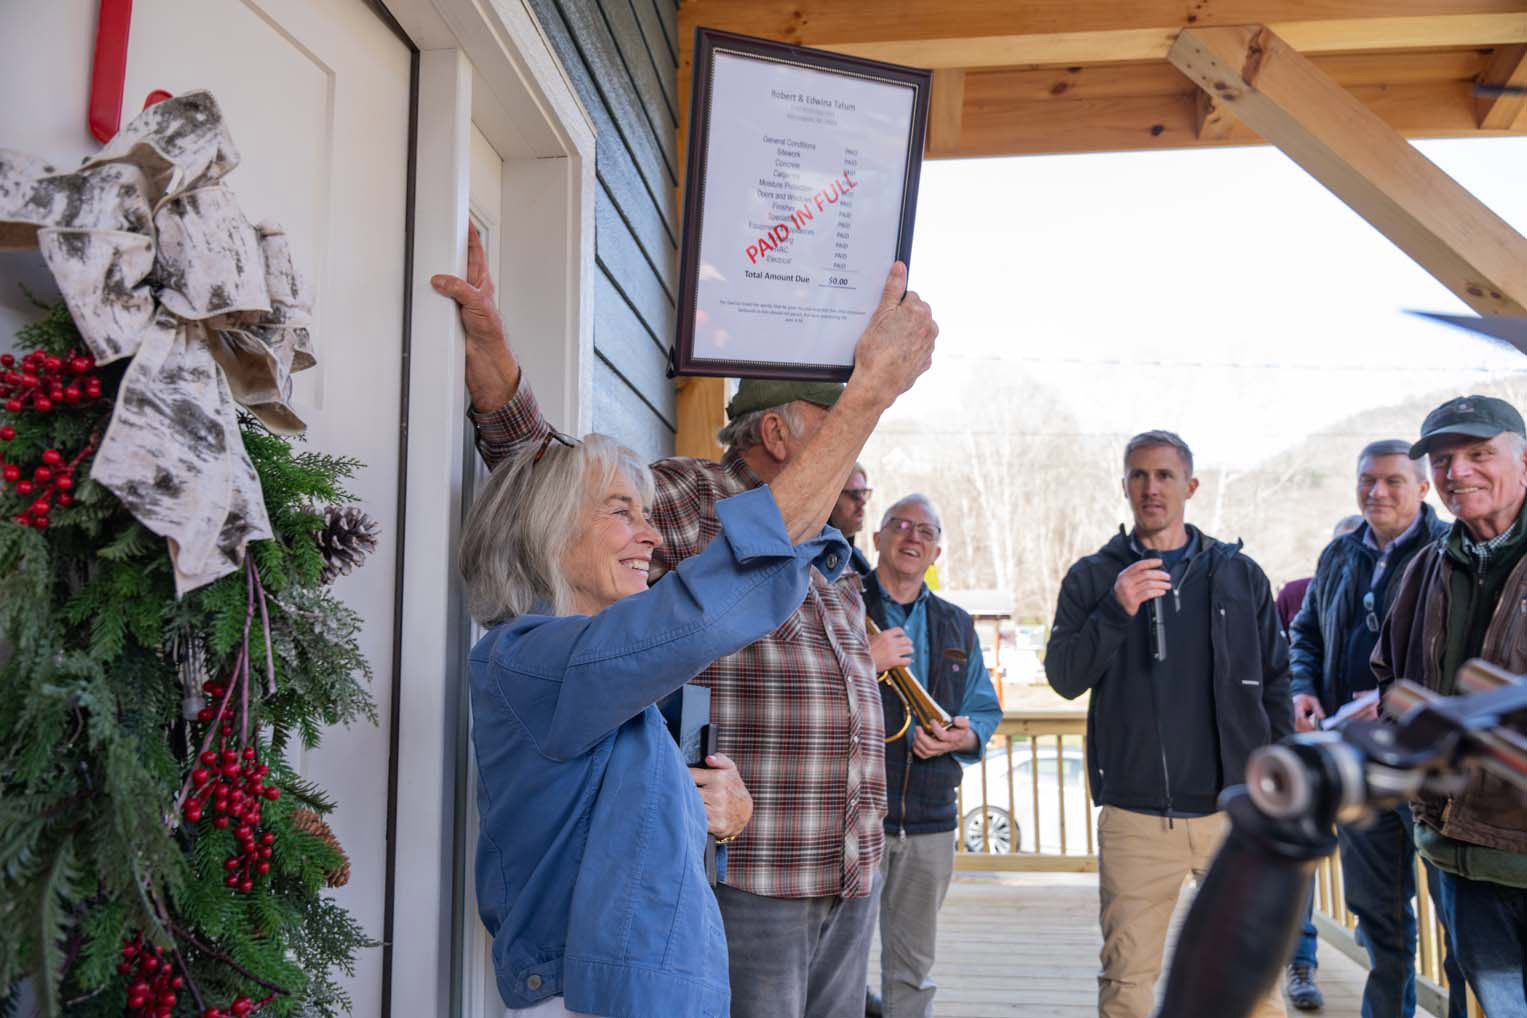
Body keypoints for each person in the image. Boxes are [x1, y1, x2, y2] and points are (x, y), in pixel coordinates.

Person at [433, 223, 939, 1018]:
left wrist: (719, 808)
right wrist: (494, 364)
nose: (638, 532)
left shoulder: (828, 538)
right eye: (832, 418)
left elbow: (638, 750)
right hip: (755, 885)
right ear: (777, 431)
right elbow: (549, 482)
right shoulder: (675, 508)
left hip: (842, 866)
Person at [1044, 429, 1292, 1018]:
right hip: (1136, 818)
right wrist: (1115, 608)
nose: (1150, 488)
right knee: (1128, 983)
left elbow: (1277, 686)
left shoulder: (1240, 575)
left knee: (1254, 987)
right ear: (1125, 485)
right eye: (1138, 475)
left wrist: (1279, 788)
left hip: (1237, 815)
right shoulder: (1091, 577)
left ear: (1191, 486)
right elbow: (1064, 677)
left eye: (1164, 476)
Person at [1289, 442, 1464, 1018]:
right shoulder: (1339, 554)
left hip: (1434, 768)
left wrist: (1393, 701)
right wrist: (1302, 687)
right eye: (1367, 480)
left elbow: (1465, 661)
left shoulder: (1452, 553)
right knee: (1381, 921)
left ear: (1422, 489)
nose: (1377, 492)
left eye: (1392, 481)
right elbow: (1306, 633)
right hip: (1359, 765)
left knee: (1460, 922)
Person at [1374, 395, 1527, 1018]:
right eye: (1443, 459)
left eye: (1479, 454)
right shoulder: (1424, 567)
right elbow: (1389, 679)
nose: (1457, 471)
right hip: (1458, 855)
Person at [860, 495, 1002, 1018]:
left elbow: (983, 711)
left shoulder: (956, 624)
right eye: (899, 525)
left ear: (937, 550)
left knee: (912, 972)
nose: (912, 537)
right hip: (854, 817)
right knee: (834, 964)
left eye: (926, 530)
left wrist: (958, 738)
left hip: (929, 823)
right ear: (877, 539)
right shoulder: (842, 605)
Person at [1276, 511, 1362, 1012]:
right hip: (1309, 748)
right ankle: (1301, 962)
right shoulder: (1297, 593)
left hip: (1371, 752)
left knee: (1373, 859)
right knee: (1301, 861)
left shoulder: (1408, 581)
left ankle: (1371, 929)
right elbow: (1283, 660)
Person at [830, 462, 873, 575]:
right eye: (855, 494)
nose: (863, 502)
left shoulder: (858, 561)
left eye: (864, 493)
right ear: (831, 497)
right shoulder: (813, 559)